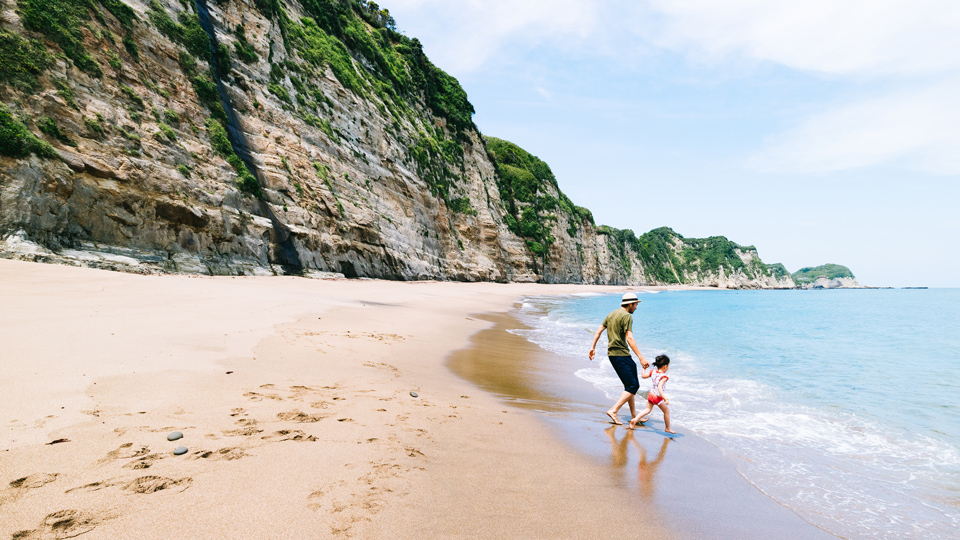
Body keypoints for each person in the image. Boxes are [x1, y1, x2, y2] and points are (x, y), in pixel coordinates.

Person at [589, 292, 649, 425]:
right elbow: (629, 338)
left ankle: (634, 416)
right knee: (633, 385)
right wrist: (641, 358)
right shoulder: (627, 316)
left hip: (615, 355)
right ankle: (614, 410)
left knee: (630, 385)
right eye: (635, 305)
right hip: (620, 355)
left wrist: (593, 347)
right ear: (630, 304)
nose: (636, 308)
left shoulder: (611, 314)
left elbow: (599, 331)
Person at [628, 354, 674, 434]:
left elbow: (643, 376)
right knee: (666, 411)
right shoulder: (663, 377)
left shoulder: (653, 372)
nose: (668, 368)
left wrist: (643, 368)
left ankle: (635, 420)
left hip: (651, 394)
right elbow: (660, 388)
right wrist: (665, 398)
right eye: (668, 366)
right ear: (665, 366)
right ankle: (668, 428)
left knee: (647, 410)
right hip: (657, 397)